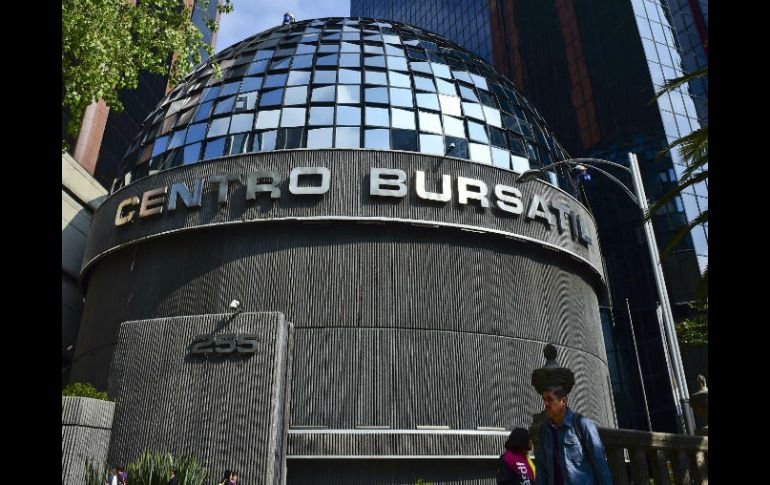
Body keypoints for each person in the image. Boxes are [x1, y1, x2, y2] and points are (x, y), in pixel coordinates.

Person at [535, 385, 613, 485]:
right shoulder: (545, 430)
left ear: (563, 401)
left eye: (550, 399)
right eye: (544, 399)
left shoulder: (583, 424)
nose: (545, 403)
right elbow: (541, 469)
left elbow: (600, 464)